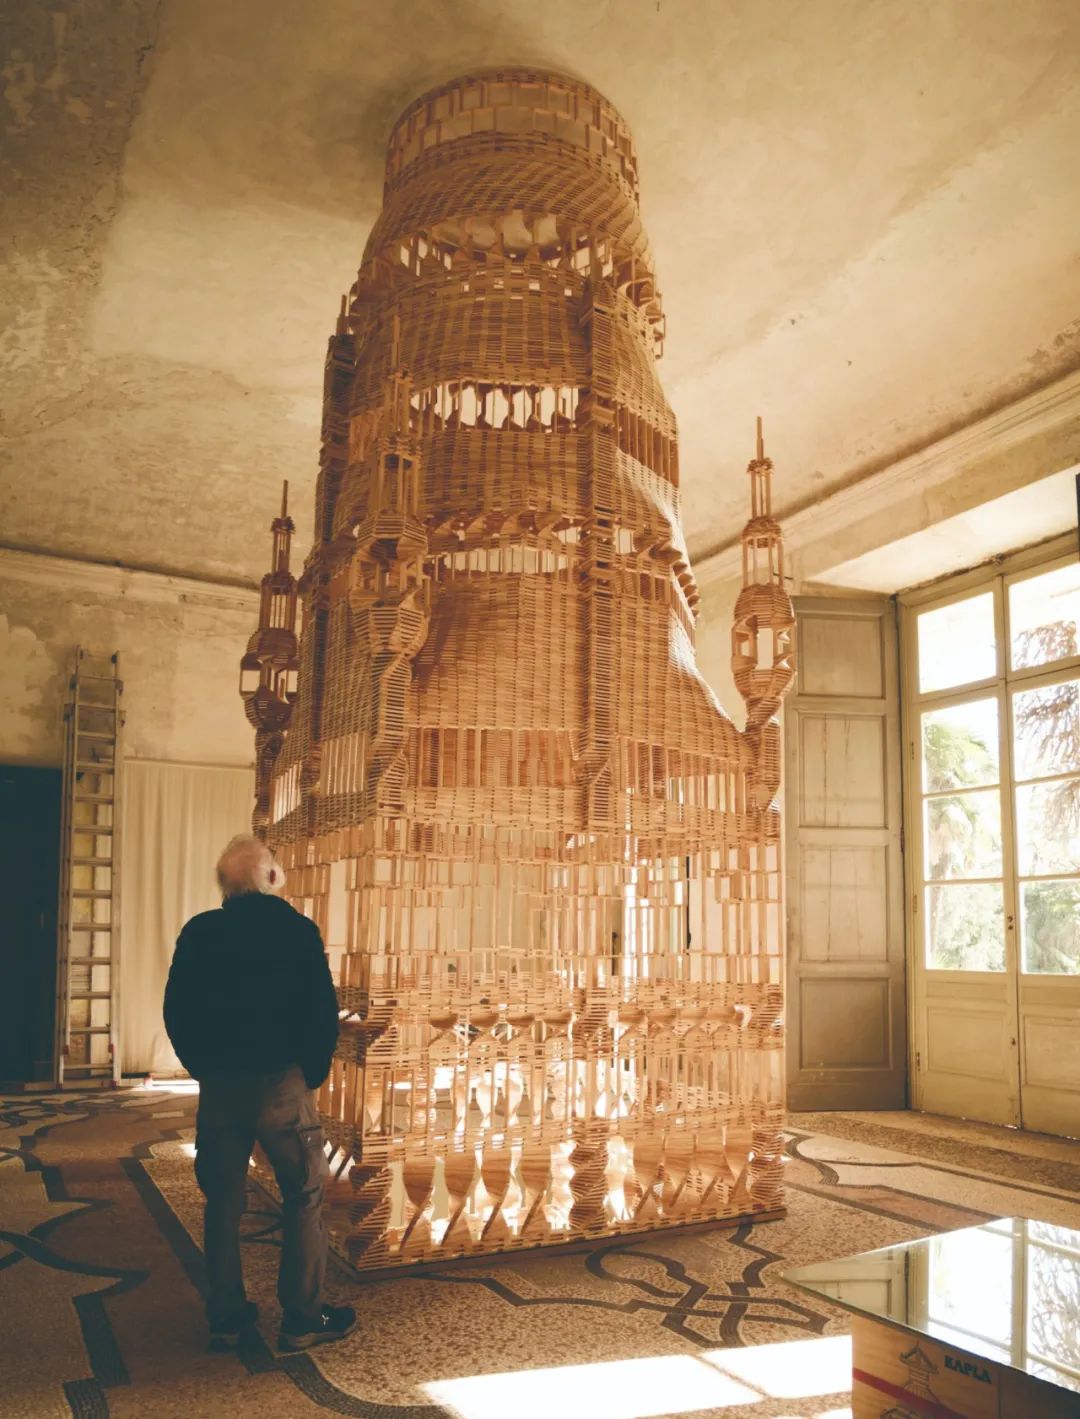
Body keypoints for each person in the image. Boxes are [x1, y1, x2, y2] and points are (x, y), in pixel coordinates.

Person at [163, 834, 355, 1353]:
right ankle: (303, 1318)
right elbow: (321, 1013)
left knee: (223, 1202)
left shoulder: (199, 932)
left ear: (223, 886)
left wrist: (203, 1069)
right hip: (280, 1085)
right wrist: (310, 1075)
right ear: (271, 877)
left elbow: (176, 1011)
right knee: (304, 1195)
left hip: (221, 1086)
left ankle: (226, 1316)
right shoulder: (296, 931)